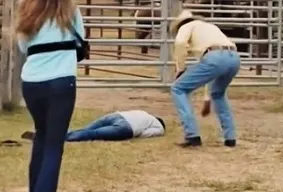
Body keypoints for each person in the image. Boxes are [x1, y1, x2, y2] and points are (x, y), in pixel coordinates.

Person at [15, 0, 86, 192]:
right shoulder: (70, 13)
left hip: (32, 82)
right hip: (62, 82)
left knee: (42, 137)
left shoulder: (26, 12)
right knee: (54, 143)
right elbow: (81, 43)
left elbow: (23, 48)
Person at [169, 9, 241, 148]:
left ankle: (192, 135)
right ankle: (230, 138)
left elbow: (180, 43)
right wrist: (207, 98)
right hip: (234, 58)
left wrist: (180, 68)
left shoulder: (186, 27)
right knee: (218, 94)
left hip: (214, 57)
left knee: (178, 88)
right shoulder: (209, 27)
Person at [21, 110, 165, 142]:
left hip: (115, 115)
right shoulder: (159, 126)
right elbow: (146, 134)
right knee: (92, 135)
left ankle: (48, 134)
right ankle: (51, 138)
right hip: (126, 127)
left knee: (86, 130)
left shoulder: (144, 112)